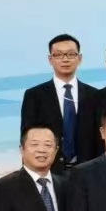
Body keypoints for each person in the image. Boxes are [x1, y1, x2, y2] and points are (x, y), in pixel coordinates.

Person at [20, 33, 96, 167]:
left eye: (71, 54)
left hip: (88, 169)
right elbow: (27, 139)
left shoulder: (94, 95)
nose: (65, 59)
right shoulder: (34, 95)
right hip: (49, 169)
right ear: (50, 59)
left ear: (80, 58)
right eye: (59, 55)